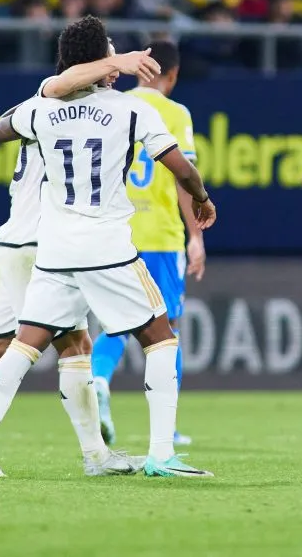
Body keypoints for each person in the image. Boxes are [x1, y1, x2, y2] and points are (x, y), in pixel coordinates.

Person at [0, 16, 217, 478]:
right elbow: (182, 168)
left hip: (55, 248)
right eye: (110, 53)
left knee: (25, 343)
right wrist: (201, 197)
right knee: (161, 338)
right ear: (100, 61)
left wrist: (47, 98)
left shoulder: (41, 108)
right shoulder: (132, 110)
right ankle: (161, 454)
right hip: (107, 245)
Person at [0, 45, 160, 478]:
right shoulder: (81, 110)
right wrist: (113, 64)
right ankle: (93, 457)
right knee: (73, 344)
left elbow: (1, 127)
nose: (114, 71)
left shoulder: (37, 104)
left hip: (9, 239)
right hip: (46, 244)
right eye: (108, 62)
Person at [90, 40, 203, 448]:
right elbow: (182, 176)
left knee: (115, 322)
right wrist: (195, 237)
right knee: (165, 328)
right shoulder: (174, 113)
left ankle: (99, 380)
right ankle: (166, 426)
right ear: (170, 75)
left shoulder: (113, 104)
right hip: (160, 237)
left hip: (117, 232)